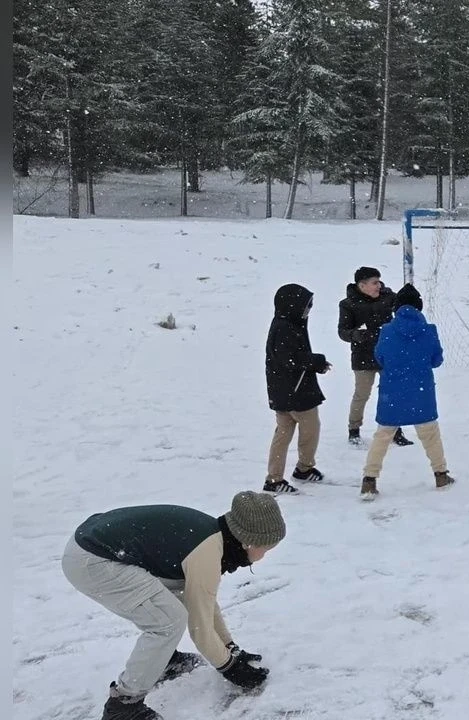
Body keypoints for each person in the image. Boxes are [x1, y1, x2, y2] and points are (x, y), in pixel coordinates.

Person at [63, 491, 286, 720]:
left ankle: (160, 660)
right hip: (92, 559)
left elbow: (203, 601)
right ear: (249, 541)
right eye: (267, 548)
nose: (266, 554)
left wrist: (230, 647)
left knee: (170, 605)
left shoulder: (213, 536)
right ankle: (124, 706)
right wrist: (230, 667)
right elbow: (200, 625)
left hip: (92, 543)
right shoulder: (207, 552)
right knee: (167, 621)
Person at [359, 284, 456, 499]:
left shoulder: (387, 331)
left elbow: (380, 357)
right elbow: (436, 360)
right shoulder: (429, 331)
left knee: (382, 436)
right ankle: (440, 474)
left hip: (392, 392)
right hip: (421, 392)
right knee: (430, 435)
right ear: (419, 307)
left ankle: (369, 479)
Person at [264, 283, 331, 493]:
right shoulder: (285, 327)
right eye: (306, 306)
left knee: (284, 432)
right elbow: (290, 359)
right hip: (296, 392)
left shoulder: (290, 323)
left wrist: (314, 364)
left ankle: (276, 477)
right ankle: (301, 468)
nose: (308, 310)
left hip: (285, 390)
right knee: (309, 429)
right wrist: (316, 361)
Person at [338, 266, 411, 448]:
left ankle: (396, 430)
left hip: (387, 355)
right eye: (374, 283)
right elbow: (342, 331)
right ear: (362, 286)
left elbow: (405, 308)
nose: (379, 285)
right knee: (362, 394)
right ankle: (354, 430)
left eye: (379, 281)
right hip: (363, 357)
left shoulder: (388, 297)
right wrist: (356, 335)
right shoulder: (348, 304)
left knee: (391, 393)